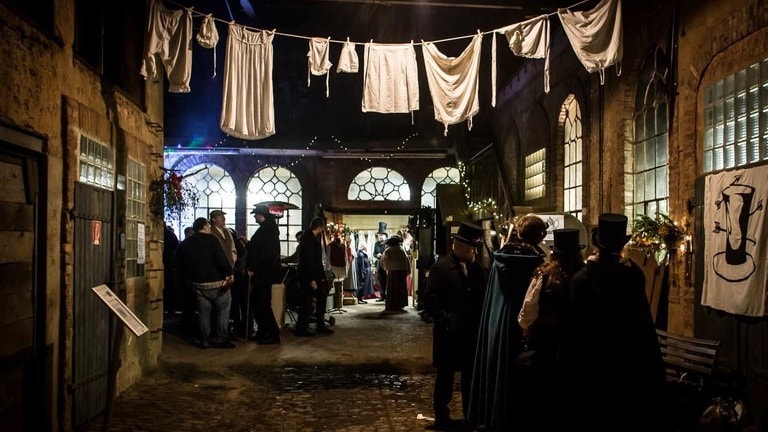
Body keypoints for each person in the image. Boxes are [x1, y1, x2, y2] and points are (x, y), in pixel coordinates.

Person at [560, 213, 669, 430]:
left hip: (590, 370)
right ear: (621, 244)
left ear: (597, 244)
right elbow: (643, 326)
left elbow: (572, 331)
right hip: (626, 369)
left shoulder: (580, 280)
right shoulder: (633, 276)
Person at [468, 213, 547, 432]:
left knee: (497, 366)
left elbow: (494, 296)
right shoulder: (539, 264)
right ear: (539, 236)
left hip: (498, 322)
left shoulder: (500, 259)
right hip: (525, 326)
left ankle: (493, 415)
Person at [516, 228, 585, 429]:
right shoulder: (584, 276)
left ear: (554, 253)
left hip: (546, 346)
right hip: (575, 348)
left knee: (544, 398)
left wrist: (529, 328)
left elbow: (526, 314)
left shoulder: (544, 276)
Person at [421, 222, 487, 430]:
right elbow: (431, 298)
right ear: (458, 245)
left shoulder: (477, 269)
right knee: (445, 378)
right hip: (449, 334)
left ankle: (471, 415)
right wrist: (446, 319)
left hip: (471, 334)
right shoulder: (441, 268)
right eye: (469, 248)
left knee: (470, 378)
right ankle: (442, 416)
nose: (472, 252)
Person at [173, 217, 235, 349]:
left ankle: (204, 340)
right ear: (205, 227)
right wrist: (229, 273)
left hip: (198, 284)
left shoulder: (186, 243)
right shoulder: (212, 240)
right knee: (223, 310)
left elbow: (177, 263)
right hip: (217, 283)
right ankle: (221, 338)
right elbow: (221, 258)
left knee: (203, 312)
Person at [246, 204, 282, 344]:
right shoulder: (269, 229)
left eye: (256, 214)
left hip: (263, 273)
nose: (255, 217)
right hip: (265, 273)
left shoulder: (267, 230)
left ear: (262, 215)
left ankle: (273, 334)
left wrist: (252, 266)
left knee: (262, 304)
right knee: (260, 303)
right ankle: (263, 332)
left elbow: (262, 252)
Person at [294, 217, 334, 336]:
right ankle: (302, 328)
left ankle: (317, 325)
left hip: (313, 275)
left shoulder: (310, 238)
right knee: (306, 303)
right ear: (320, 227)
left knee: (317, 300)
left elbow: (314, 260)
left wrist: (322, 276)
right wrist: (312, 279)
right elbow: (309, 261)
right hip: (309, 276)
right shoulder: (308, 240)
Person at [380, 235, 410, 312]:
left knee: (391, 289)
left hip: (392, 272)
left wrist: (386, 268)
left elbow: (383, 261)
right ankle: (400, 305)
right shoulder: (401, 250)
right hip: (401, 272)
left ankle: (391, 305)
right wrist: (407, 271)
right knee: (400, 288)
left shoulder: (388, 250)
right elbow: (406, 261)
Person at [163, 223, 180, 314]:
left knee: (168, 288)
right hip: (170, 266)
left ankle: (169, 308)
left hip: (168, 265)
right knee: (169, 288)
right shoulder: (171, 235)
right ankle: (170, 309)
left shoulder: (166, 235)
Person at [373, 224, 388, 302]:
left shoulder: (387, 243)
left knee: (387, 281)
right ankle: (382, 296)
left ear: (385, 236)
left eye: (382, 235)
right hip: (379, 264)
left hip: (386, 265)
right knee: (381, 281)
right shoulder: (376, 244)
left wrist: (383, 255)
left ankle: (387, 296)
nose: (380, 237)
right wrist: (377, 255)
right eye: (379, 235)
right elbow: (374, 253)